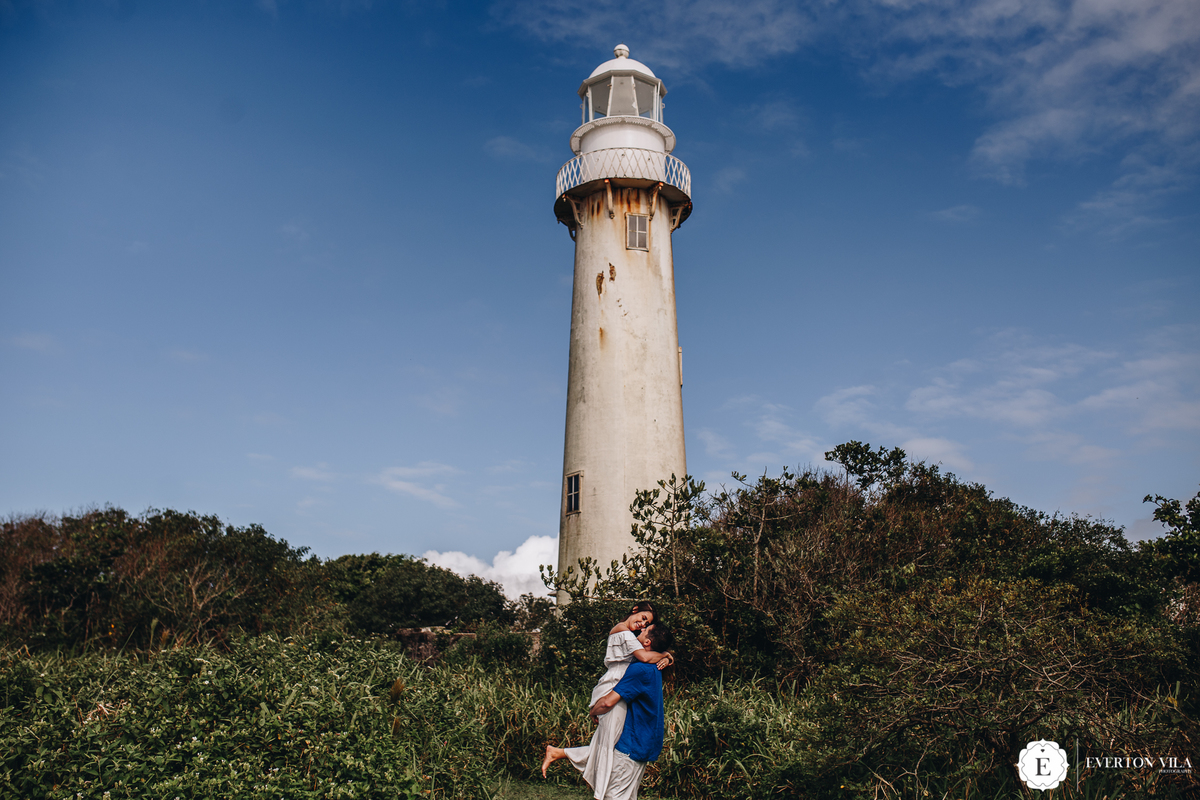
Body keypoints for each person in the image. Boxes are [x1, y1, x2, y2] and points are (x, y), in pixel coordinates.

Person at [542, 622, 674, 800]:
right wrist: (667, 655)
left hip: (632, 744)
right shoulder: (654, 666)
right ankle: (558, 753)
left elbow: (608, 702)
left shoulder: (640, 669)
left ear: (648, 642)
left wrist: (593, 711)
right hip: (645, 742)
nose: (641, 629)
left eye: (646, 630)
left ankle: (558, 753)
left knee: (613, 796)